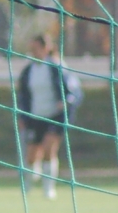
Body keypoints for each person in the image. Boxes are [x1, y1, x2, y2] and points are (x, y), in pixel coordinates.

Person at [16, 33, 81, 199]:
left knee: (48, 150)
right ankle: (28, 187)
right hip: (35, 117)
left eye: (36, 48)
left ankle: (48, 189)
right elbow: (22, 96)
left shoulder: (57, 67)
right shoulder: (28, 71)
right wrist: (22, 116)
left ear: (45, 48)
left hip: (54, 117)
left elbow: (74, 92)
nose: (33, 52)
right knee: (31, 155)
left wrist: (65, 102)